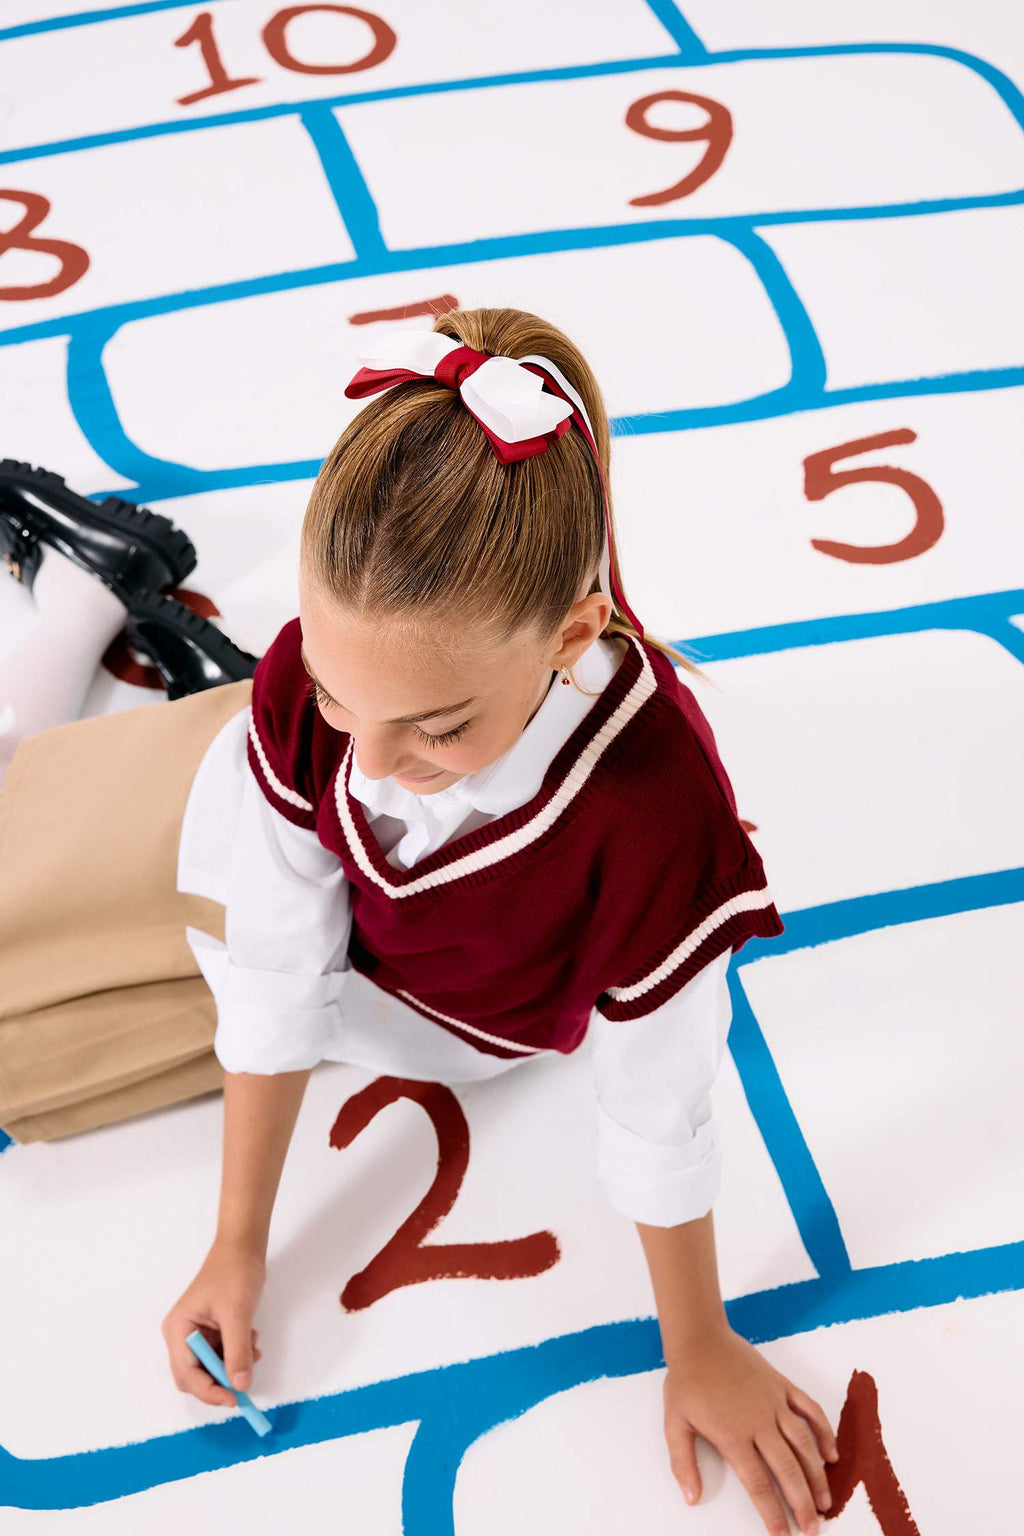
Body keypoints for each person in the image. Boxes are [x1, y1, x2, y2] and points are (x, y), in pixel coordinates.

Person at [0, 308, 837, 1533]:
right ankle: (90, 595)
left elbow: (658, 1103)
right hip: (243, 833)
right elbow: (274, 945)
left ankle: (95, 593)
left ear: (571, 633)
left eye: (438, 725)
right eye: (341, 698)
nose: (378, 769)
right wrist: (239, 1246)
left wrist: (699, 1344)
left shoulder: (655, 816)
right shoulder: (316, 699)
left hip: (402, 1000)